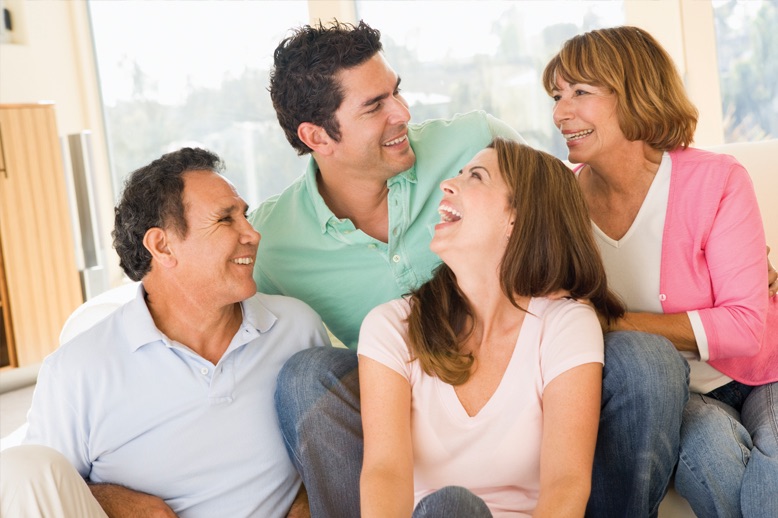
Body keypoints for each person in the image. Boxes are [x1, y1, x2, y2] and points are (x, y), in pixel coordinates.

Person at [255, 20, 688, 517]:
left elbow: (551, 200)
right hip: (396, 389)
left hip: (517, 358)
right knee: (306, 376)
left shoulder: (474, 140)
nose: (402, 113)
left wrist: (715, 238)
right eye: (374, 106)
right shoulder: (271, 241)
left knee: (645, 360)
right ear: (317, 136)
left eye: (395, 92)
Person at [0, 147, 331, 517]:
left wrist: (307, 502)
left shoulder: (296, 328)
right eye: (226, 219)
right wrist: (109, 500)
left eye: (245, 215)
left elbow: (328, 448)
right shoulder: (78, 369)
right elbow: (41, 493)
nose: (252, 234)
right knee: (20, 467)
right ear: (162, 245)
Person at [543, 25, 778, 517]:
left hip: (765, 372)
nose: (561, 112)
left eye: (581, 92)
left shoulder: (716, 180)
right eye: (557, 95)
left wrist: (616, 324)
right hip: (677, 394)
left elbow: (747, 326)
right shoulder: (558, 201)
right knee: (713, 460)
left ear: (635, 91)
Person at [359, 138, 625, 517]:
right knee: (451, 506)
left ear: (516, 218)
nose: (448, 183)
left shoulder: (564, 326)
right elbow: (384, 473)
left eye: (476, 177)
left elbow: (566, 483)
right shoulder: (390, 327)